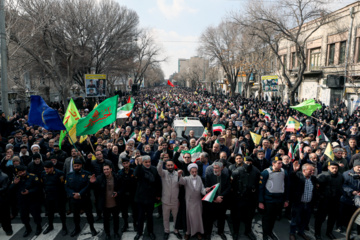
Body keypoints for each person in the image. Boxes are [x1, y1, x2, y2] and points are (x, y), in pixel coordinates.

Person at [65, 158, 97, 237]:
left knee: (89, 215)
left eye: (77, 166)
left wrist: (79, 194)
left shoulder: (87, 174)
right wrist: (73, 195)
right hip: (74, 199)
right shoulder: (69, 175)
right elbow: (66, 187)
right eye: (75, 166)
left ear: (81, 165)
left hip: (84, 198)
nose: (76, 167)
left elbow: (88, 186)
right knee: (75, 215)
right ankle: (77, 228)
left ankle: (92, 228)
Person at [259, 158, 289, 240]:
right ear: (273, 163)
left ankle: (270, 232)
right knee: (266, 218)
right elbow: (261, 188)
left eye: (281, 163)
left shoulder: (284, 172)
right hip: (269, 199)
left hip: (279, 199)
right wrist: (261, 201)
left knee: (273, 217)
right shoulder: (266, 172)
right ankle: (265, 234)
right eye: (279, 163)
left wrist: (286, 200)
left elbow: (286, 186)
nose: (281, 165)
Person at [231, 157, 260, 240]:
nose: (248, 163)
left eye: (250, 162)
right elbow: (232, 185)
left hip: (251, 198)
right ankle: (235, 232)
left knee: (249, 216)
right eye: (247, 161)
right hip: (239, 198)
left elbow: (258, 185)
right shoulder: (237, 171)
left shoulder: (256, 171)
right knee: (237, 217)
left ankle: (248, 231)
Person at [10, 165, 42, 237]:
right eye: (19, 172)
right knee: (24, 217)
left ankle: (39, 227)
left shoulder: (33, 176)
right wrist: (14, 184)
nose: (21, 174)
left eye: (22, 172)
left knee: (36, 216)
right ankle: (28, 229)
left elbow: (38, 187)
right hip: (22, 201)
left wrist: (29, 191)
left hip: (32, 200)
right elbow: (10, 190)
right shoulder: (16, 178)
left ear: (25, 170)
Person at [134, 155, 161, 240]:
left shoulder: (154, 169)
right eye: (146, 162)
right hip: (141, 197)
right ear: (143, 162)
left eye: (149, 162)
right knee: (140, 216)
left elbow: (158, 182)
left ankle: (150, 232)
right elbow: (136, 174)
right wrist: (138, 164)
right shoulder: (140, 169)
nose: (148, 163)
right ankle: (139, 232)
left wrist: (158, 195)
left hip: (151, 197)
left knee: (150, 217)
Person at [90, 163, 121, 240]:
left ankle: (116, 232)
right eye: (104, 169)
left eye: (107, 169)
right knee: (106, 221)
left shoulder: (117, 177)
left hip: (115, 203)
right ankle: (107, 234)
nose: (106, 171)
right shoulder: (100, 178)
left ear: (111, 169)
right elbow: (95, 189)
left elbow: (122, 188)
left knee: (116, 219)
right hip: (105, 204)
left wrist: (118, 193)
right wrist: (92, 183)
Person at [314, 161, 344, 240]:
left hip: (335, 201)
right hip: (324, 201)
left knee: (332, 218)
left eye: (336, 168)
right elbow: (316, 186)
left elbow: (341, 185)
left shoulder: (340, 176)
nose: (335, 170)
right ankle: (317, 233)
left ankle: (329, 232)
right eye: (333, 168)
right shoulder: (323, 176)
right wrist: (320, 197)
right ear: (328, 168)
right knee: (320, 219)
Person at [178, 163, 206, 240]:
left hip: (198, 201)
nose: (194, 173)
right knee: (189, 218)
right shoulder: (186, 178)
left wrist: (205, 190)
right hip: (189, 201)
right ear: (190, 172)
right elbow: (181, 182)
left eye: (195, 172)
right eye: (192, 172)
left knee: (198, 217)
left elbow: (202, 189)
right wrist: (180, 175)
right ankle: (188, 232)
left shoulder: (199, 178)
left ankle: (198, 232)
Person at [203, 162, 231, 240]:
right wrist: (215, 197)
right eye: (214, 168)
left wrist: (221, 196)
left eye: (217, 168)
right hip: (212, 201)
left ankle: (221, 232)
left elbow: (228, 187)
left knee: (221, 218)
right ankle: (208, 233)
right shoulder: (209, 176)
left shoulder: (225, 176)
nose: (215, 169)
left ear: (221, 168)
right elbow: (207, 188)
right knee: (209, 218)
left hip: (222, 201)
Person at [289, 163, 316, 240]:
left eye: (313, 171)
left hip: (308, 204)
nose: (312, 172)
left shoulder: (313, 179)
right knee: (295, 219)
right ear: (304, 170)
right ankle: (292, 233)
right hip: (298, 203)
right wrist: (294, 171)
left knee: (305, 219)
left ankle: (301, 232)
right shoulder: (298, 176)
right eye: (310, 171)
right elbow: (291, 178)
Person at [157, 156, 182, 240]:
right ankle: (166, 231)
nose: (170, 167)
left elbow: (182, 184)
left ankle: (176, 231)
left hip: (175, 201)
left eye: (171, 165)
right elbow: (158, 169)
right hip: (165, 201)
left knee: (176, 218)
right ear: (166, 166)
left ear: (173, 165)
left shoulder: (177, 173)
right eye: (168, 165)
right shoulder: (163, 173)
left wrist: (180, 176)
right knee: (166, 218)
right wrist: (161, 160)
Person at [40, 161, 67, 236]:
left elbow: (63, 185)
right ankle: (50, 226)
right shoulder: (43, 173)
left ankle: (64, 227)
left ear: (52, 168)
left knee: (61, 212)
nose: (46, 170)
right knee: (50, 212)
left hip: (58, 196)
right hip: (48, 196)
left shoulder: (59, 174)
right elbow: (42, 184)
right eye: (45, 169)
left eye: (47, 169)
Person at [118, 157, 138, 232]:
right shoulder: (120, 172)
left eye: (127, 163)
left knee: (134, 211)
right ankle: (125, 224)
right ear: (122, 164)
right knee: (124, 211)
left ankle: (135, 224)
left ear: (129, 163)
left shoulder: (133, 171)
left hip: (132, 194)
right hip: (123, 195)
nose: (125, 165)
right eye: (124, 163)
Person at [0, 167, 12, 236]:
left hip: (3, 199)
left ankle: (8, 229)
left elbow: (4, 188)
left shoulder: (4, 176)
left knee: (5, 216)